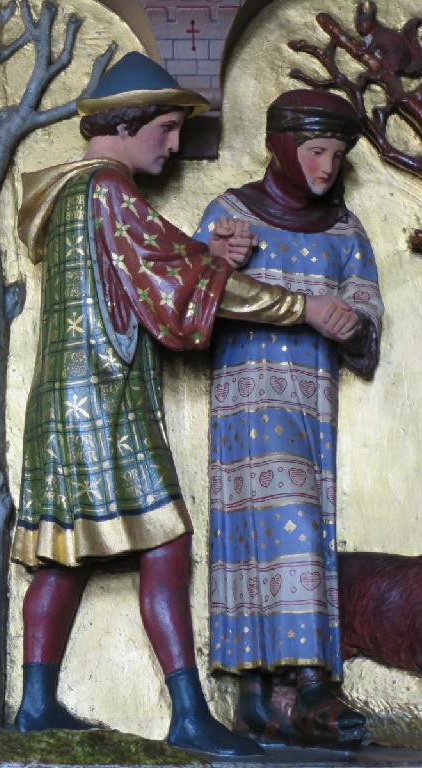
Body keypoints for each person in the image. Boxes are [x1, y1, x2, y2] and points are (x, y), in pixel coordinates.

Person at [11, 52, 358, 757]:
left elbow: (165, 273)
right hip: (106, 395)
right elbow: (172, 284)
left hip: (63, 398)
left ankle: (36, 707)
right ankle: (190, 715)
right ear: (125, 123)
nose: (173, 145)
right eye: (166, 128)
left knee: (64, 553)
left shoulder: (71, 192)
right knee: (166, 544)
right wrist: (303, 307)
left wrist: (210, 259)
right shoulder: (108, 189)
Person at [195, 89, 382, 746]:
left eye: (337, 154)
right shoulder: (232, 215)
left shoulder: (344, 231)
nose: (327, 167)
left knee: (303, 522)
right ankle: (295, 685)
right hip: (247, 406)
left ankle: (277, 695)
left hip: (311, 412)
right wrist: (216, 261)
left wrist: (353, 323)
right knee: (283, 524)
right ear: (280, 146)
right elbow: (186, 300)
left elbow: (366, 318)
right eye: (315, 151)